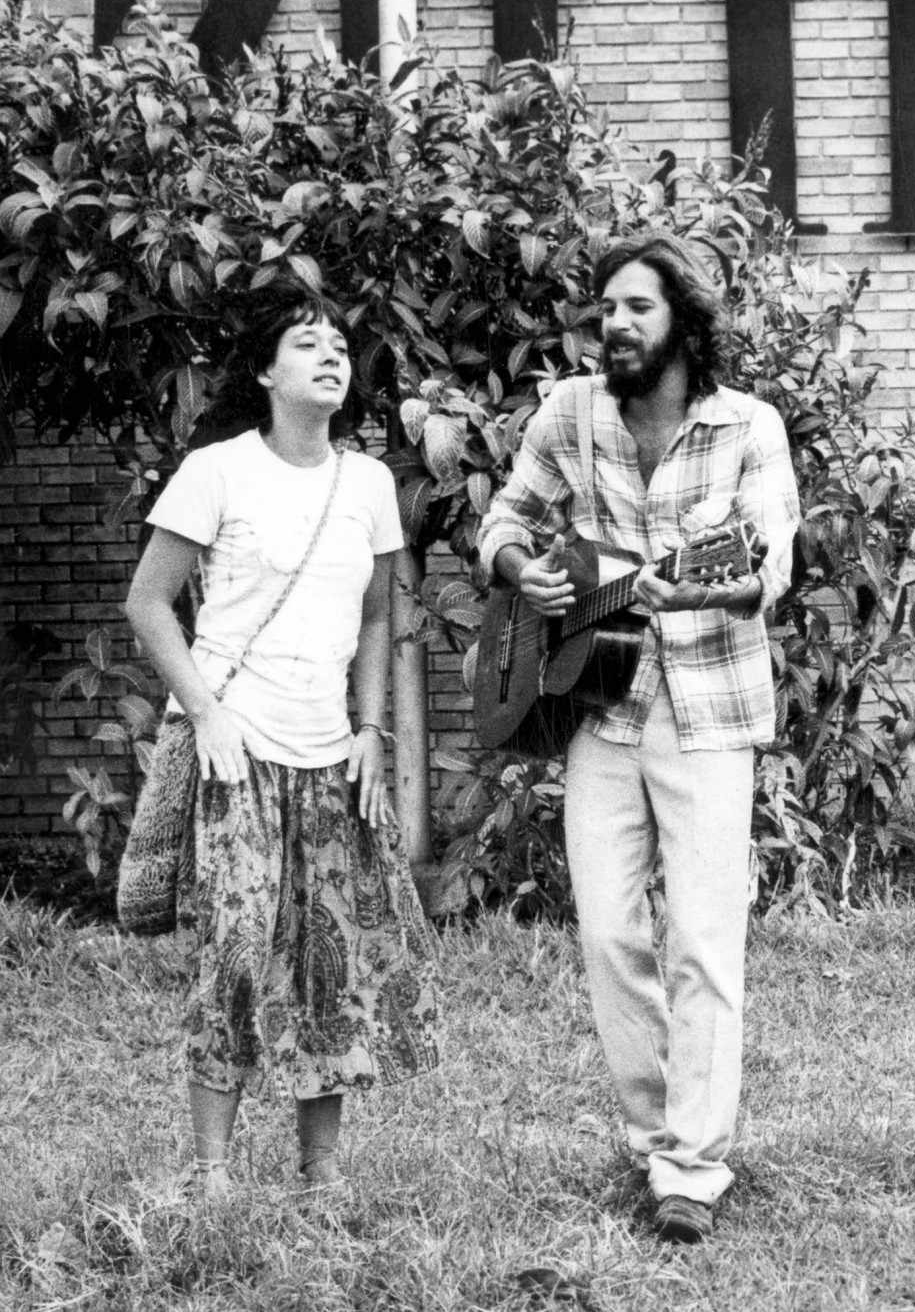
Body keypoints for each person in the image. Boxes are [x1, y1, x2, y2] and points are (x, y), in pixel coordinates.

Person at [478, 232, 798, 1245]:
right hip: (599, 702)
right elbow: (509, 515)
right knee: (610, 931)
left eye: (637, 309)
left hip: (707, 707)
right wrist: (514, 566)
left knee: (704, 942)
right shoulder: (571, 412)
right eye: (606, 307)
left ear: (683, 326)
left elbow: (767, 560)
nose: (614, 324)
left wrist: (716, 581)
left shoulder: (748, 426)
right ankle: (652, 1131)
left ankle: (693, 1167)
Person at [123, 293, 440, 1199]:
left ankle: (322, 1173)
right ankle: (213, 1172)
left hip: (329, 756)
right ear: (266, 372)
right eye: (309, 344)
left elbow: (380, 613)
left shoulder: (371, 483)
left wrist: (371, 731)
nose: (333, 356)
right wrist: (205, 713)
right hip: (237, 751)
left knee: (326, 958)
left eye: (341, 345)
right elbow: (149, 604)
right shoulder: (216, 471)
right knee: (232, 948)